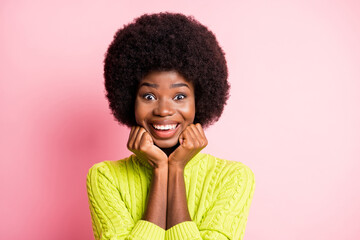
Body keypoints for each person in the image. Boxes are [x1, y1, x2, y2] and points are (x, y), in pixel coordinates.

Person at [86, 12, 255, 240]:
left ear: (199, 100)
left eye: (179, 97)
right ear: (128, 100)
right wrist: (160, 169)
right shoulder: (105, 177)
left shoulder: (233, 178)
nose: (163, 111)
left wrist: (175, 169)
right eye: (148, 96)